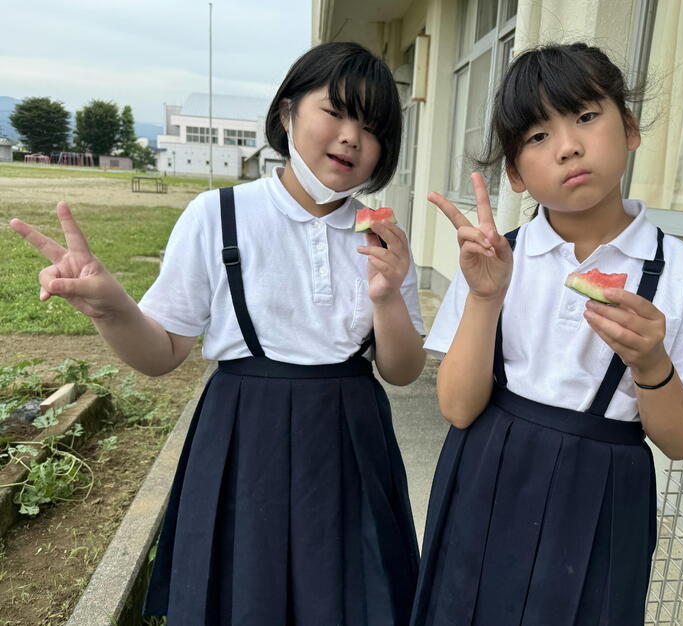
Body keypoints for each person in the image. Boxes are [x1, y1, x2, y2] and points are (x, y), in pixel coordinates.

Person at [10, 41, 426, 625]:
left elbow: (401, 371)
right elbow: (162, 353)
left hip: (351, 437)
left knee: (352, 598)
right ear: (287, 113)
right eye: (334, 112)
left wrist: (387, 297)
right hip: (242, 432)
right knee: (243, 598)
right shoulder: (218, 215)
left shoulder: (382, 237)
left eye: (372, 127)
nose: (351, 137)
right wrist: (111, 309)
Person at [411, 42, 683, 625]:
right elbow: (458, 408)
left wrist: (651, 365)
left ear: (630, 128)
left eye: (587, 116)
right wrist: (485, 298)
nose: (568, 146)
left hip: (606, 489)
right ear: (515, 174)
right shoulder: (494, 259)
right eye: (538, 136)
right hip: (486, 470)